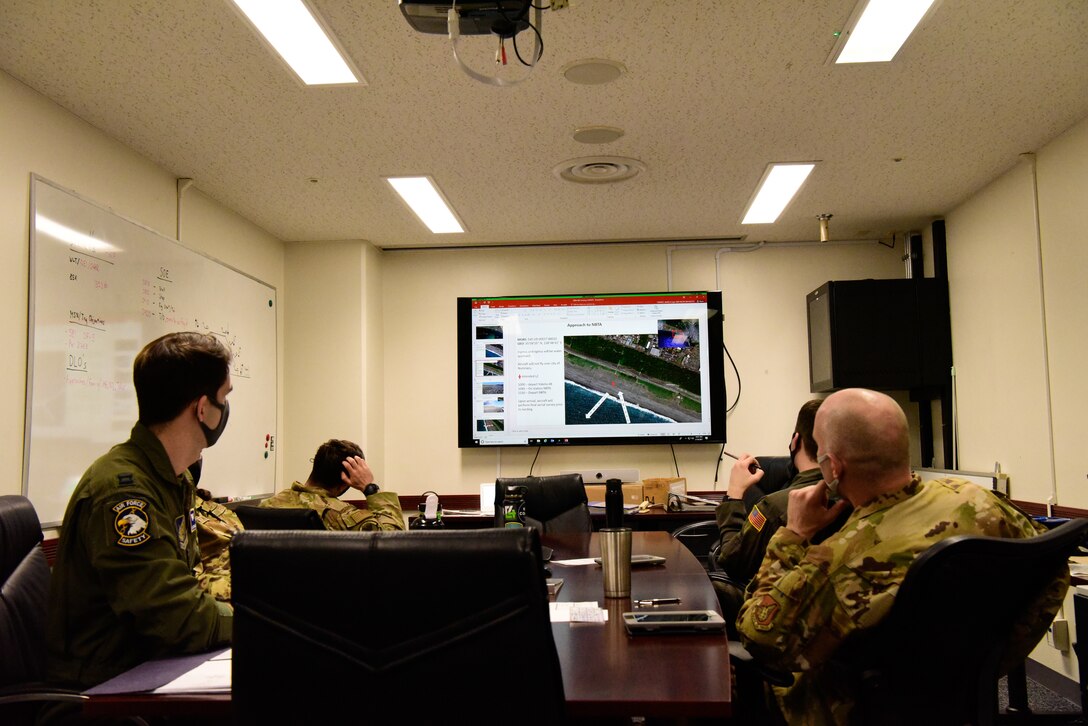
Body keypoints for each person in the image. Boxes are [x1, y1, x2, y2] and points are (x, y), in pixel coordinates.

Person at [736, 388, 1067, 725]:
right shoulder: (979, 501)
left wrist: (792, 535)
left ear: (832, 467)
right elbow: (1051, 564)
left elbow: (759, 638)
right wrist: (988, 662)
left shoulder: (839, 560)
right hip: (957, 706)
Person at [46, 332, 235, 690]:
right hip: (104, 690)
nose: (225, 408)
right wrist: (257, 622)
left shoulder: (171, 479)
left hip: (149, 666)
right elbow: (177, 618)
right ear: (201, 408)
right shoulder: (127, 494)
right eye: (224, 396)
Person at [713, 398, 850, 622]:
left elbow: (732, 561)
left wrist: (734, 495)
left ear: (795, 441)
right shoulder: (859, 496)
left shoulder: (773, 507)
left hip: (780, 616)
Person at [259, 439, 406, 531]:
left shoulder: (266, 506)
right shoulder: (342, 517)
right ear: (346, 481)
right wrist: (370, 487)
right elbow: (395, 543)